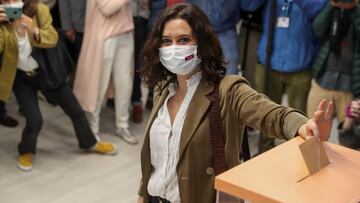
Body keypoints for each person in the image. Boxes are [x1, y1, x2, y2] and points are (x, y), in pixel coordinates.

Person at [137, 3, 333, 203]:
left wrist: (302, 125)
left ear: (202, 45)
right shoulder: (163, 89)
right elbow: (155, 159)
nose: (174, 48)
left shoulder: (227, 89)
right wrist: (142, 194)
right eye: (166, 41)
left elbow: (274, 115)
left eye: (184, 40)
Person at [0, 0, 117, 172]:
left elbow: (53, 38)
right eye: (5, 1)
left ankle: (90, 143)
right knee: (34, 120)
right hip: (21, 79)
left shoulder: (39, 10)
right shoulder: (2, 22)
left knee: (76, 111)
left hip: (46, 72)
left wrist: (34, 29)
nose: (11, 3)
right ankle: (26, 151)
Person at [242, 0, 327, 153]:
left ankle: (296, 156)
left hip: (300, 66)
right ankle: (264, 153)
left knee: (300, 120)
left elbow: (319, 10)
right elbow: (247, 5)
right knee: (264, 114)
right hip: (268, 62)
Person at [74, 0, 137, 144]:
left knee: (124, 84)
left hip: (125, 33)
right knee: (98, 85)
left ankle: (123, 125)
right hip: (105, 37)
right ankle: (93, 129)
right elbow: (106, 8)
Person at [307, 0, 360, 126]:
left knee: (349, 136)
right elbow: (317, 30)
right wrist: (331, 6)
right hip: (323, 80)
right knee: (313, 129)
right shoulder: (330, 5)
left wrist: (354, 8)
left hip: (350, 87)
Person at [131, 0, 150, 123]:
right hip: (124, 18)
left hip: (144, 19)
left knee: (141, 61)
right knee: (128, 64)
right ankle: (135, 101)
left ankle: (138, 102)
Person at [58, 0, 86, 67]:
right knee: (82, 62)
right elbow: (63, 3)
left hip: (102, 26)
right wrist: (67, 27)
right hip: (79, 25)